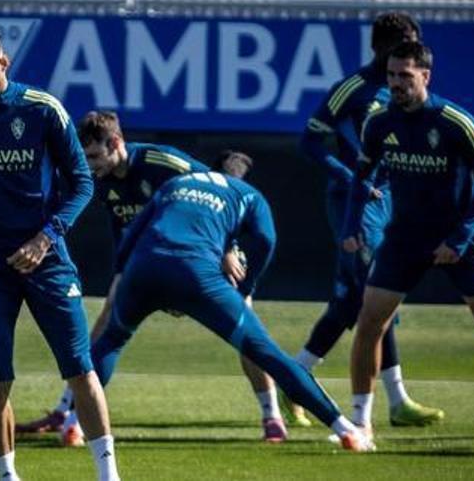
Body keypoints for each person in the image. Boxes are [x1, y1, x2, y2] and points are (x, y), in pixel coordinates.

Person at [19, 114, 293, 444]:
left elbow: (219, 189)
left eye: (94, 156)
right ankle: (68, 410)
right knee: (107, 318)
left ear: (115, 143)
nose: (89, 165)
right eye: (85, 157)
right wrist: (123, 270)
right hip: (150, 259)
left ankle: (272, 416)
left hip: (208, 252)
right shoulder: (100, 180)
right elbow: (122, 227)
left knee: (245, 326)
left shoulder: (160, 162)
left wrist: (227, 249)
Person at [0, 25, 119, 481]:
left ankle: (108, 474)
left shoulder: (42, 109)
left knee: (80, 369)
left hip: (46, 258)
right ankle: (6, 475)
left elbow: (82, 183)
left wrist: (46, 238)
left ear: (5, 63)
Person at [342, 41, 474, 449]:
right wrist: (351, 225)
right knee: (369, 322)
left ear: (425, 76)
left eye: (405, 75)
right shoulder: (378, 122)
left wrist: (460, 236)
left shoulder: (454, 121)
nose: (396, 83)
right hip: (404, 238)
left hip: (459, 236)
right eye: (391, 75)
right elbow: (362, 176)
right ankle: (361, 424)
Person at [88, 161, 375, 452]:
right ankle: (345, 430)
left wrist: (123, 275)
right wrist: (246, 286)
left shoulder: (176, 184)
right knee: (266, 352)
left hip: (144, 268)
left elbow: (132, 234)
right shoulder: (249, 195)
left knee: (111, 340)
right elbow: (266, 240)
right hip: (197, 274)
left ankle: (73, 421)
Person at [295, 12, 443, 428]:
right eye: (404, 41)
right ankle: (393, 400)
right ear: (379, 46)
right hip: (353, 203)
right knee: (374, 297)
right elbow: (309, 141)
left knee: (361, 300)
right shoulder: (353, 88)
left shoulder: (405, 89)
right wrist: (351, 179)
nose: (410, 48)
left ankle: (296, 377)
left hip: (387, 202)